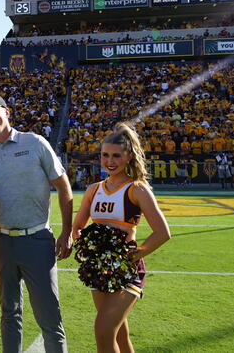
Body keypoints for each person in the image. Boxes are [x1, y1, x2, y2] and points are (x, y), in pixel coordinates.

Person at [0, 93, 73, 353]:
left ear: (7, 112)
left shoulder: (35, 142)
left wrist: (67, 232)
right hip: (1, 241)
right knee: (9, 313)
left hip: (37, 239)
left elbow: (64, 187)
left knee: (49, 317)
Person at [72, 122, 171, 353]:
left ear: (128, 157)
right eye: (105, 155)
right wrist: (88, 249)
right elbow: (77, 227)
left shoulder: (137, 189)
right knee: (119, 334)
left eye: (116, 156)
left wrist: (134, 255)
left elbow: (162, 233)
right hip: (99, 269)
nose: (110, 161)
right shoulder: (93, 189)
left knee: (103, 331)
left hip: (127, 270)